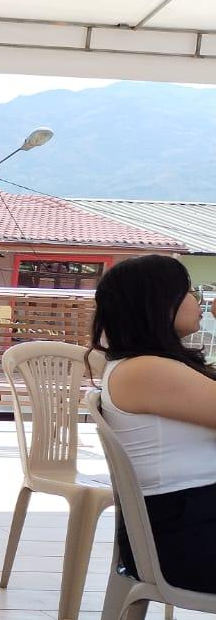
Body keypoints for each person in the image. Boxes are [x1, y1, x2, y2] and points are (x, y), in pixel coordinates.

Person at [91, 254, 216, 593]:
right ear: (160, 302)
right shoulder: (147, 370)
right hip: (185, 538)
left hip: (191, 521)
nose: (200, 300)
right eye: (189, 290)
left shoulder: (145, 365)